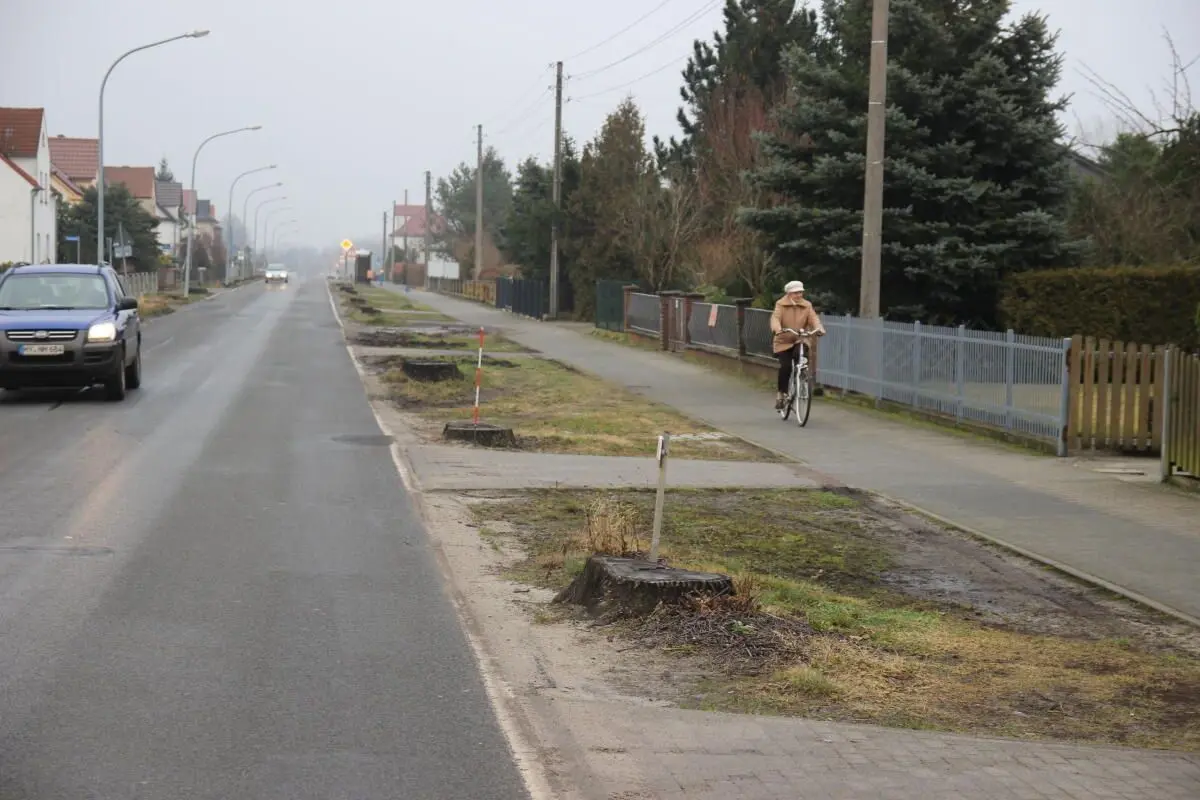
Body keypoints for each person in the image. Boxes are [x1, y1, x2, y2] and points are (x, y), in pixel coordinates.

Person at [769, 280, 825, 409]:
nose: (798, 295)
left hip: (800, 339)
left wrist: (819, 328)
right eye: (795, 293)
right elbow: (775, 318)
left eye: (800, 292)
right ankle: (781, 394)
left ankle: (800, 379)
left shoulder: (807, 305)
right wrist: (777, 329)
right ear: (789, 294)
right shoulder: (781, 304)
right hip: (783, 340)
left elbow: (814, 319)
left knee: (800, 358)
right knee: (786, 366)